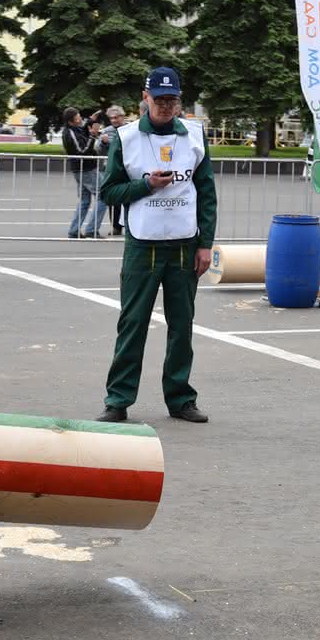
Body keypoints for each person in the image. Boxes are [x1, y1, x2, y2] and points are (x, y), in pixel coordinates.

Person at [96, 67, 215, 424]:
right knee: (132, 323)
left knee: (183, 325)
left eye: (172, 100)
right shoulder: (126, 136)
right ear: (145, 98)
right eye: (159, 99)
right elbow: (109, 191)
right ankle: (118, 399)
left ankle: (180, 398)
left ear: (179, 102)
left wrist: (205, 244)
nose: (165, 106)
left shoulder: (195, 135)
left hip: (184, 244)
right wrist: (145, 186)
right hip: (142, 245)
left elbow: (206, 192)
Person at [60, 106, 103, 238]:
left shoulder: (75, 129)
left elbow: (82, 130)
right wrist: (92, 136)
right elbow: (82, 150)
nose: (80, 118)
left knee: (85, 201)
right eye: (77, 117)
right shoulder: (69, 133)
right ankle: (91, 229)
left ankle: (74, 230)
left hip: (83, 169)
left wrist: (91, 120)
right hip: (85, 169)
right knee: (104, 196)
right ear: (71, 121)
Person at [101, 105, 128, 235]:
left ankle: (130, 225)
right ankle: (116, 226)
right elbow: (97, 148)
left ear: (122, 117)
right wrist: (103, 143)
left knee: (130, 196)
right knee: (114, 198)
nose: (113, 120)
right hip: (112, 169)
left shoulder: (130, 129)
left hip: (128, 168)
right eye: (111, 118)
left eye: (116, 117)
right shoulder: (107, 131)